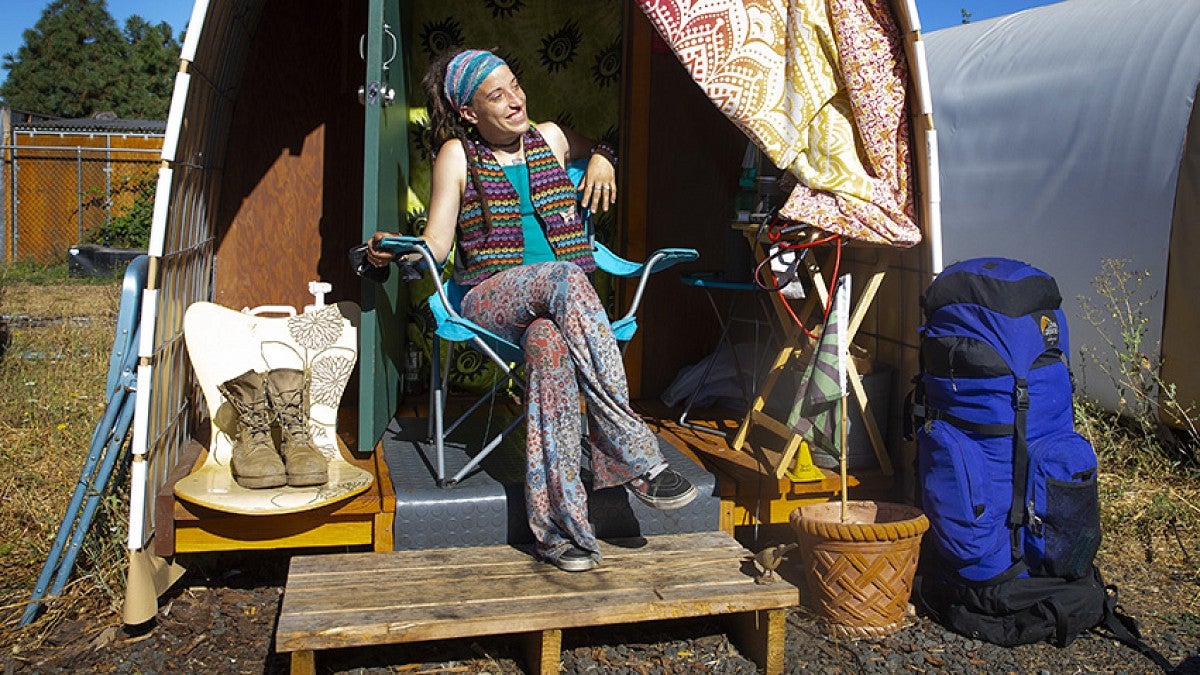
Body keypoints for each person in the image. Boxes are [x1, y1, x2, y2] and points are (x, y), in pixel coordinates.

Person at [361, 48, 696, 573]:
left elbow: (607, 146)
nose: (516, 100)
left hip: (562, 312)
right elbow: (439, 246)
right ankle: (632, 448)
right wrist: (395, 247)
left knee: (548, 345)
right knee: (565, 274)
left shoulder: (554, 139)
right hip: (488, 297)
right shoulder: (457, 153)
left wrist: (604, 157)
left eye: (514, 85)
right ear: (470, 112)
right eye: (498, 95)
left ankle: (561, 531)